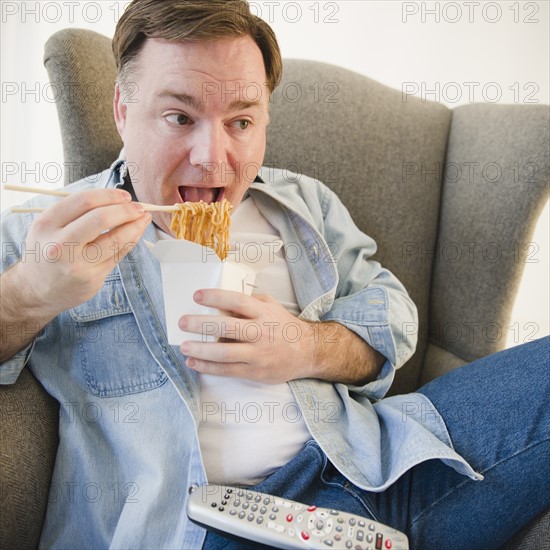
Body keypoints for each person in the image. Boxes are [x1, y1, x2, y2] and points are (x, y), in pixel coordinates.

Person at [0, 1, 548, 548]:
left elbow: (393, 318)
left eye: (240, 121)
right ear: (122, 109)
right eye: (180, 117)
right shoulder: (49, 229)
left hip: (370, 468)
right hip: (202, 526)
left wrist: (306, 346)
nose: (213, 160)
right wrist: (29, 294)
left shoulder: (304, 203)